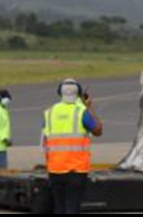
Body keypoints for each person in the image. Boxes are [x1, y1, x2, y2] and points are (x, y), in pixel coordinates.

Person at [43, 78, 102, 214]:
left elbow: (46, 141)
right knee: (72, 208)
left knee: (59, 208)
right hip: (76, 170)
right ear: (78, 94)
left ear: (60, 93)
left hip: (55, 169)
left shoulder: (49, 113)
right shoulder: (81, 112)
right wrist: (89, 106)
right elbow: (98, 130)